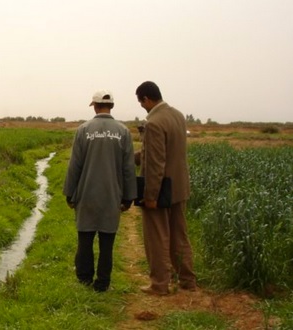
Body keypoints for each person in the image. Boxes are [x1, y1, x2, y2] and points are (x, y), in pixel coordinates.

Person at [63, 90, 137, 292]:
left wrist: (69, 193)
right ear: (111, 106)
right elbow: (128, 167)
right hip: (112, 195)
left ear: (94, 106)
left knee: (85, 239)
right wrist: (129, 197)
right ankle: (103, 283)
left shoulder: (83, 130)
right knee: (107, 242)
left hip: (86, 194)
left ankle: (84, 279)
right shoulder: (123, 132)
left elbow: (74, 165)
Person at [135, 81, 197, 295]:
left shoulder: (153, 123)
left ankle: (159, 284)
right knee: (180, 235)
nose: (142, 107)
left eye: (141, 103)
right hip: (179, 187)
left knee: (157, 237)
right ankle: (188, 280)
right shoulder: (178, 115)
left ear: (146, 99)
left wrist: (150, 195)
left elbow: (155, 162)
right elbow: (168, 152)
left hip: (161, 189)